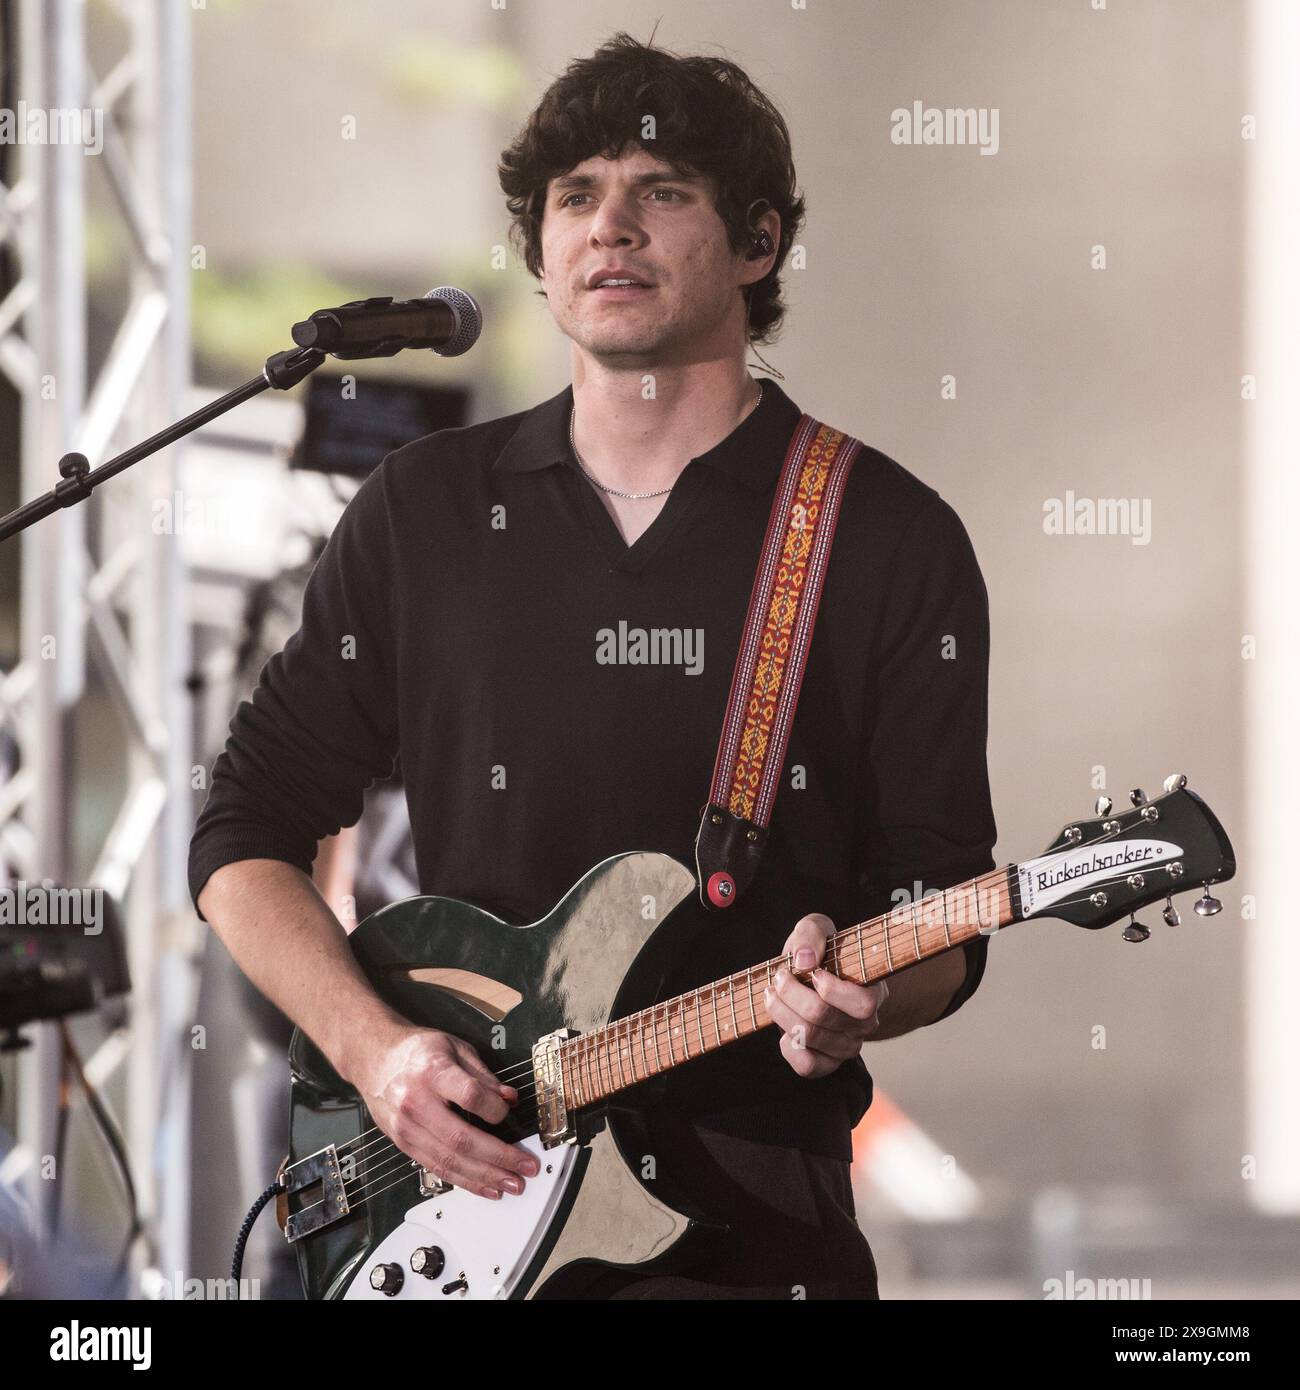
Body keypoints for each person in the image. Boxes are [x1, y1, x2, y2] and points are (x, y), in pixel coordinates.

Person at [188, 31, 997, 1299]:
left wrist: (862, 1004)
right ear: (540, 249)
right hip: (464, 1220)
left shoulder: (882, 536)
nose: (607, 225)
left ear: (757, 244)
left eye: (661, 191)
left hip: (751, 1238)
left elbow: (944, 912)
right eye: (575, 197)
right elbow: (242, 837)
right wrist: (378, 1053)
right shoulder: (423, 512)